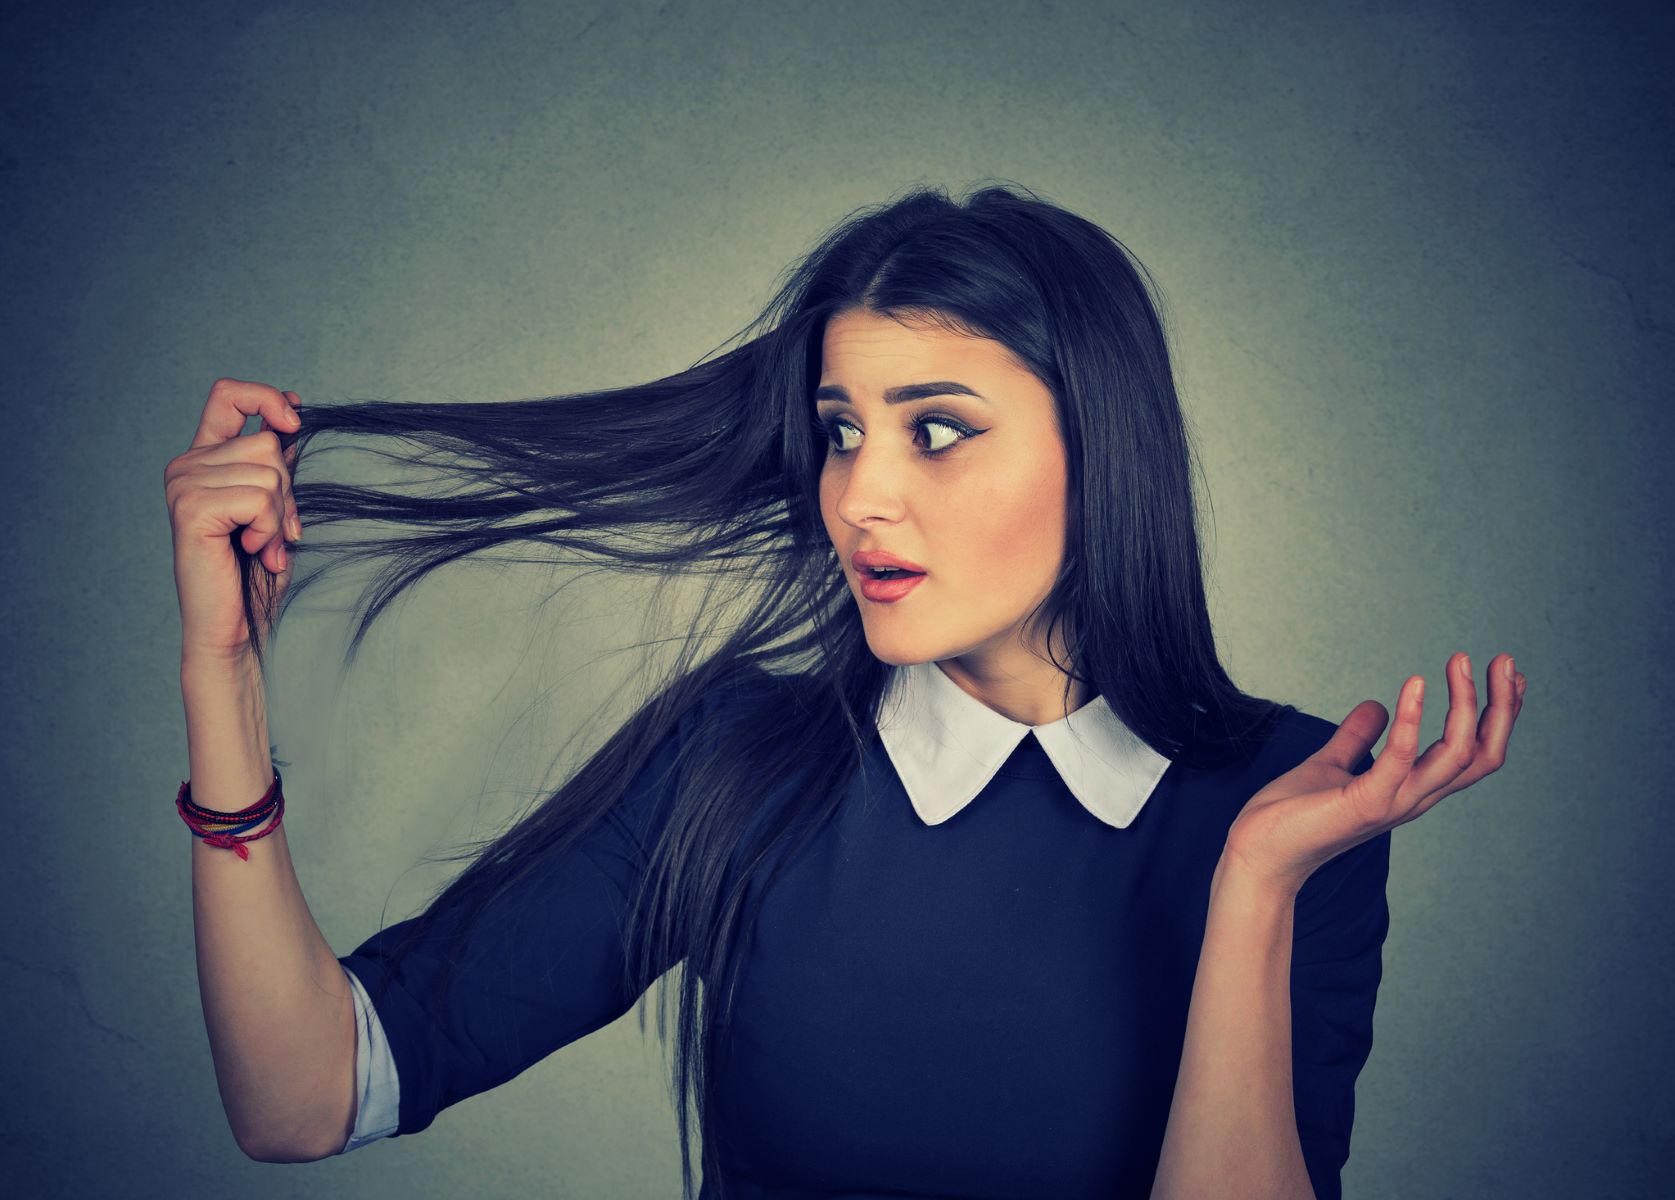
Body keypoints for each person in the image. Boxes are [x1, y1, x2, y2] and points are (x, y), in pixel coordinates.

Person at [166, 183, 1527, 1199]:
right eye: (840, 434)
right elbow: (309, 1094)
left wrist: (1252, 892)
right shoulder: (740, 760)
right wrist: (222, 675)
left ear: (1102, 451)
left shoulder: (1290, 813)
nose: (861, 495)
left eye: (937, 431)